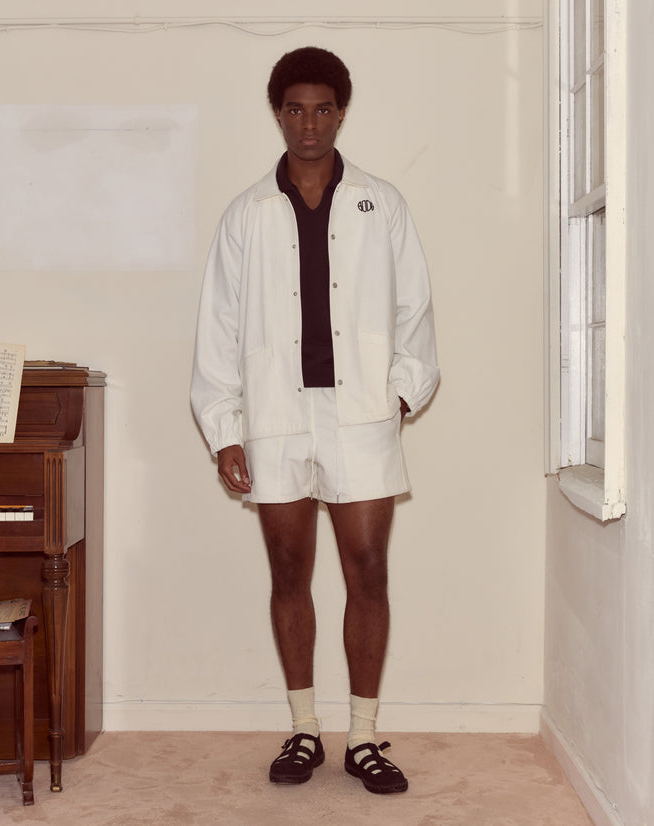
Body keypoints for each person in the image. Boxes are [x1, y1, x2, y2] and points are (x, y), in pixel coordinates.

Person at [191, 46, 439, 795]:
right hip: (275, 418)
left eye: (322, 108)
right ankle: (304, 728)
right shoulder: (247, 215)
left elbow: (415, 310)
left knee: (368, 570)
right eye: (294, 108)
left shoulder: (381, 202)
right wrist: (225, 426)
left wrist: (396, 394)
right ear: (278, 113)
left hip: (360, 416)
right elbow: (218, 328)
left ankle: (363, 738)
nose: (309, 123)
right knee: (289, 572)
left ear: (341, 112)